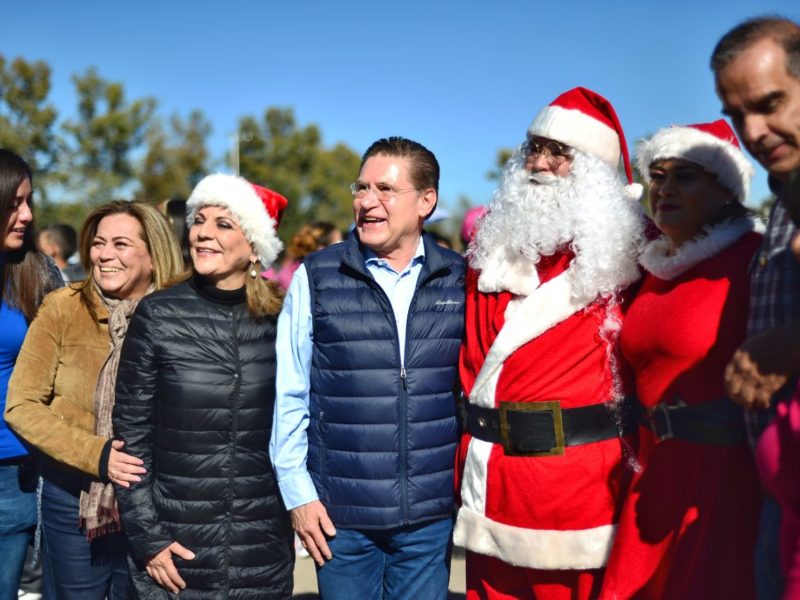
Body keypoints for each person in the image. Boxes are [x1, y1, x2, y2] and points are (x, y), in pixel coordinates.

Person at [454, 87, 646, 599]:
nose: (539, 163)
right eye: (534, 149)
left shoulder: (634, 253)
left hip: (579, 496)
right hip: (488, 483)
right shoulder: (490, 251)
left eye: (559, 153)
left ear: (595, 173)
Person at [270, 136, 465, 599]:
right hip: (339, 518)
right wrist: (298, 494)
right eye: (361, 188)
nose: (367, 201)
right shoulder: (317, 275)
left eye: (385, 189)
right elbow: (290, 391)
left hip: (429, 516)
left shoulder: (460, 278)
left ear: (426, 201)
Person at [601, 120, 763, 599]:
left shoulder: (753, 260)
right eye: (657, 176)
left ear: (726, 191)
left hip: (723, 481)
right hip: (650, 472)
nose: (665, 188)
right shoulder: (653, 267)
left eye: (685, 176)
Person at [113, 174, 295, 598]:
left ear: (255, 247)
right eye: (198, 220)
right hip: (175, 553)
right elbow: (131, 440)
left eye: (223, 224)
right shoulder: (157, 314)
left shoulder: (282, 319)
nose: (202, 233)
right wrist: (148, 538)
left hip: (261, 551)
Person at [4, 201, 184, 599]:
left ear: (154, 255)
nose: (104, 255)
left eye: (121, 244)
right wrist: (96, 454)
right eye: (99, 243)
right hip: (74, 499)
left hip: (157, 502)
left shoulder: (180, 316)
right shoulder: (64, 307)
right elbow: (21, 405)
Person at [712, 16, 800, 599]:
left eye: (771, 104)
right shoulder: (786, 194)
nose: (754, 131)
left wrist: (790, 341)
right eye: (737, 115)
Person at [0, 149, 61, 600]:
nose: (27, 215)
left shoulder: (37, 273)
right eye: (13, 203)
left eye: (29, 201)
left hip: (14, 476)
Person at [264, 220, 342, 290]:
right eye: (339, 243)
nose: (343, 249)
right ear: (321, 249)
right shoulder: (304, 284)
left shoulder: (291, 272)